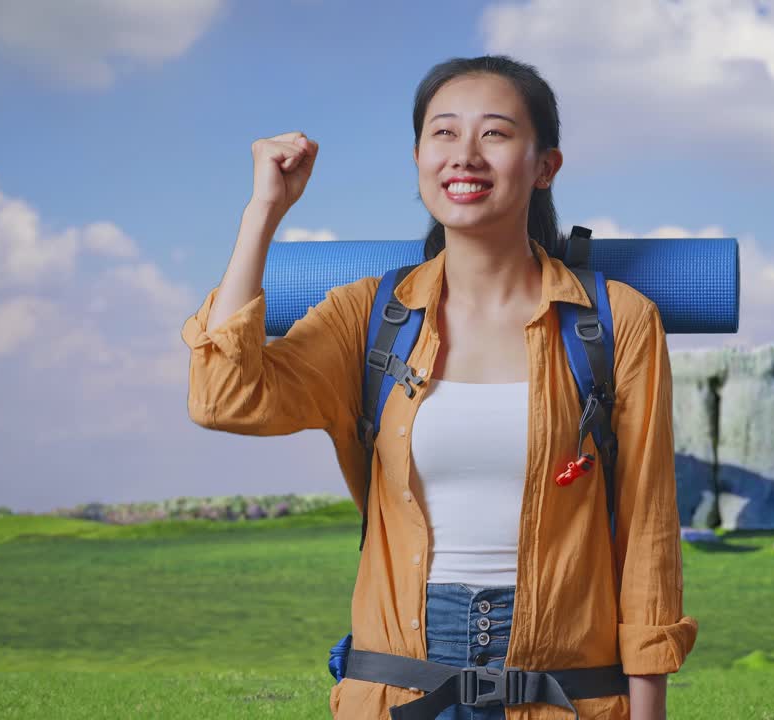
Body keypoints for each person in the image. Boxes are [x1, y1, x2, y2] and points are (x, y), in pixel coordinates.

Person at [181, 54, 697, 719]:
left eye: (497, 133)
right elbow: (222, 396)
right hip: (396, 692)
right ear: (420, 156)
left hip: (568, 697)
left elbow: (648, 535)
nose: (466, 155)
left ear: (545, 167)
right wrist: (263, 211)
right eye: (444, 133)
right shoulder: (366, 317)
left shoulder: (616, 322)